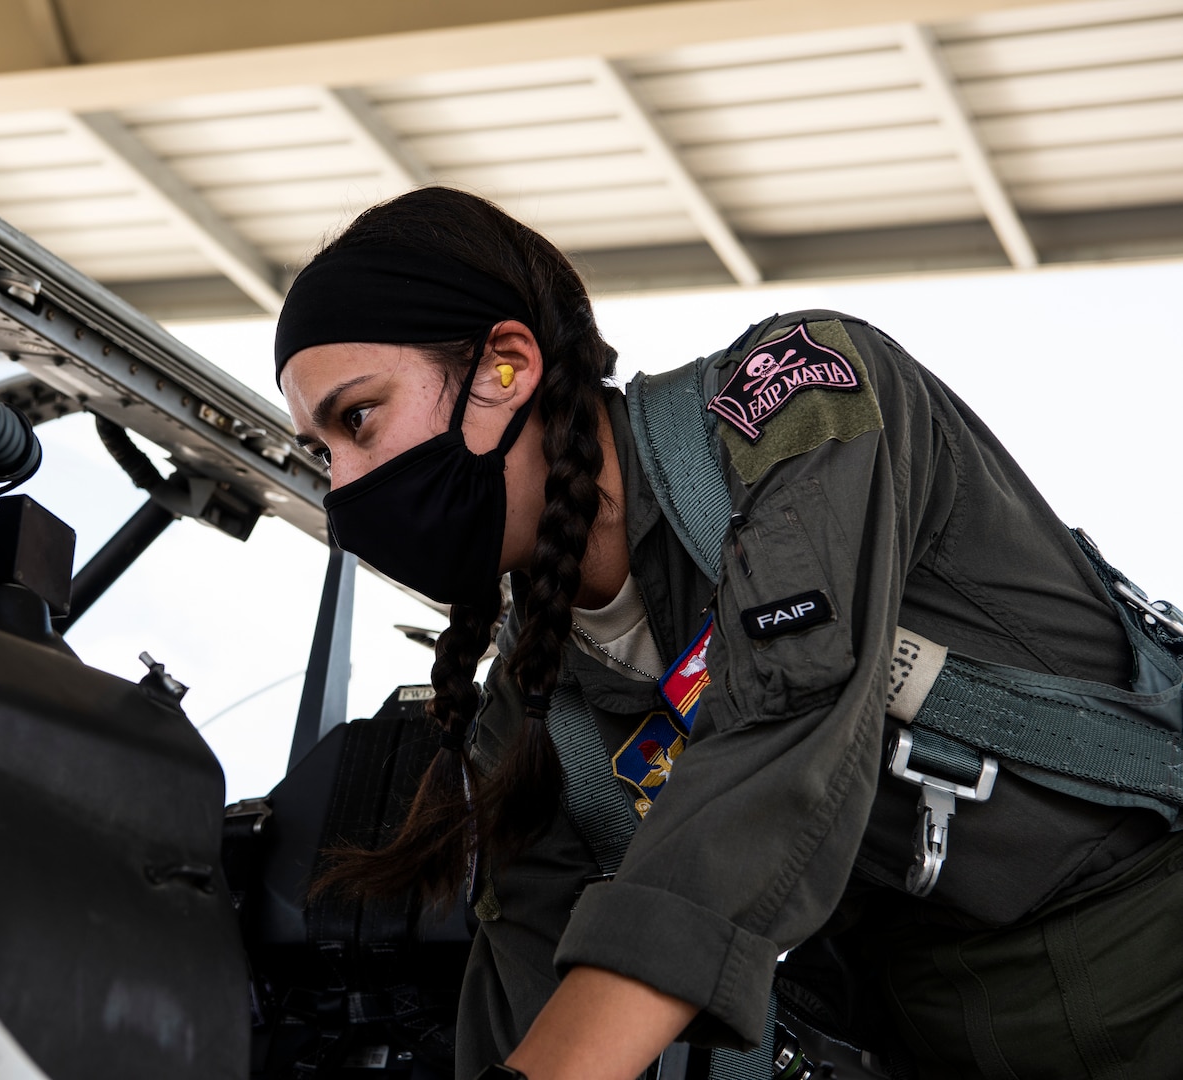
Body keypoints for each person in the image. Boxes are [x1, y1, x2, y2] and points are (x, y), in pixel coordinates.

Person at [272, 186, 1183, 1080]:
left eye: (359, 418)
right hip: (940, 1035)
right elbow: (531, 983)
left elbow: (783, 729)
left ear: (507, 363)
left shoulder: (798, 399)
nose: (344, 486)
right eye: (322, 453)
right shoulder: (533, 704)